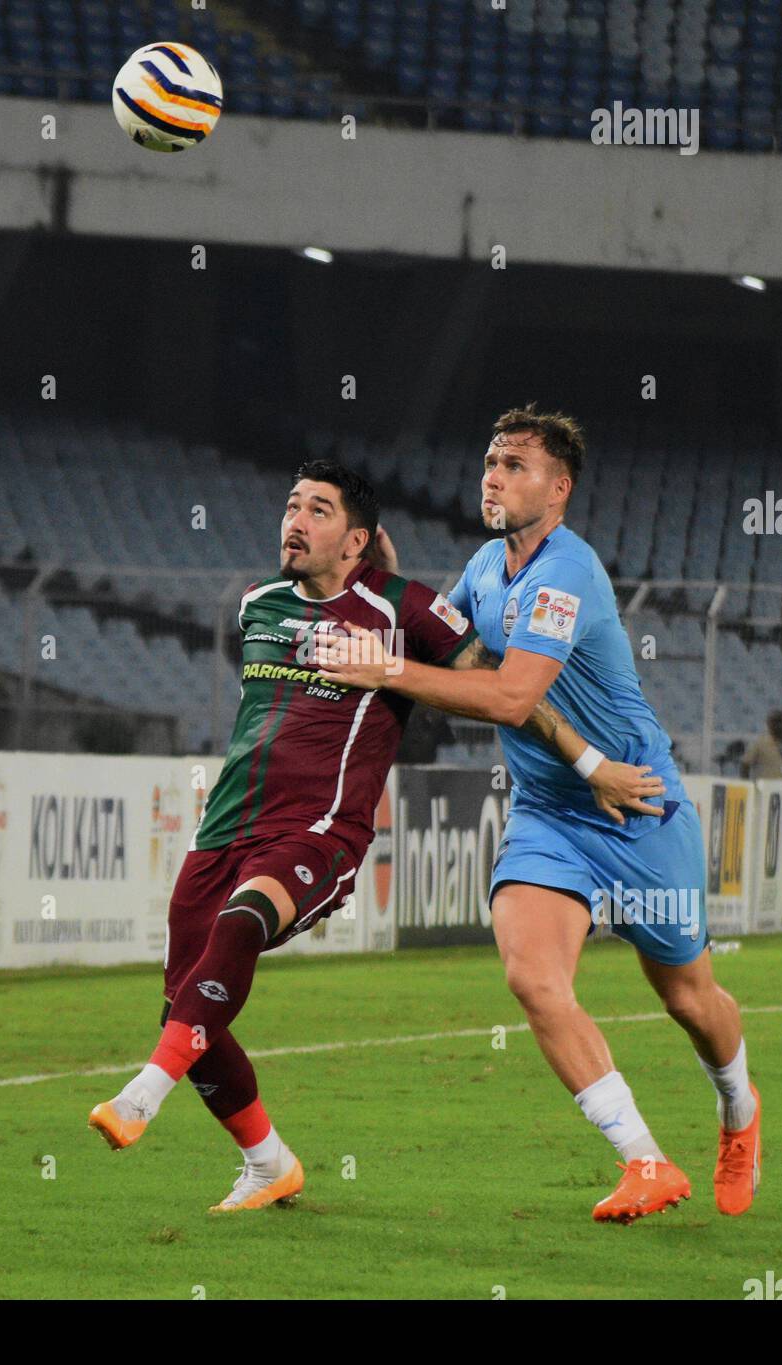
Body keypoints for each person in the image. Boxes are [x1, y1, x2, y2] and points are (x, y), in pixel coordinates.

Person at [88, 460, 662, 1212]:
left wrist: (589, 764)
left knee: (242, 922)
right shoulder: (257, 605)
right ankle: (267, 1162)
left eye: (319, 511)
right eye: (292, 505)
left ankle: (143, 1092)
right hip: (221, 829)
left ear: (357, 538)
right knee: (186, 1007)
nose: (295, 521)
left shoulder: (406, 610)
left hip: (320, 831)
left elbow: (504, 693)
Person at [315, 405, 762, 1223]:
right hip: (550, 814)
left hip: (634, 802)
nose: (494, 475)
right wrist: (387, 588)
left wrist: (382, 670)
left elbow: (513, 695)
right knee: (531, 977)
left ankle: (739, 1111)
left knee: (689, 999)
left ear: (558, 489)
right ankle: (646, 1162)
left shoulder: (568, 573)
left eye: (515, 465)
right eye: (491, 461)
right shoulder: (486, 566)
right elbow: (446, 653)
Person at [740, 708, 782, 779]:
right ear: (768, 724)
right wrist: (747, 785)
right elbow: (745, 765)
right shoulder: (759, 743)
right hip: (766, 786)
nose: (777, 725)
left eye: (780, 721)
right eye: (774, 722)